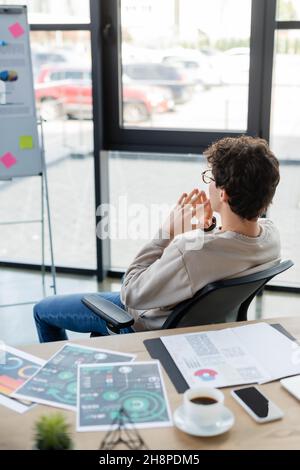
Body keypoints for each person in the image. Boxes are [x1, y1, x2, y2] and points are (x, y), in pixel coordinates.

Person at [34, 136, 281, 342]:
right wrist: (210, 229)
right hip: (203, 322)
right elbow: (224, 252)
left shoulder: (190, 252)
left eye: (211, 179)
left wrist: (166, 233)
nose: (208, 185)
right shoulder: (271, 237)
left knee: (42, 311)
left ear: (223, 193)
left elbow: (130, 293)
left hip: (143, 324)